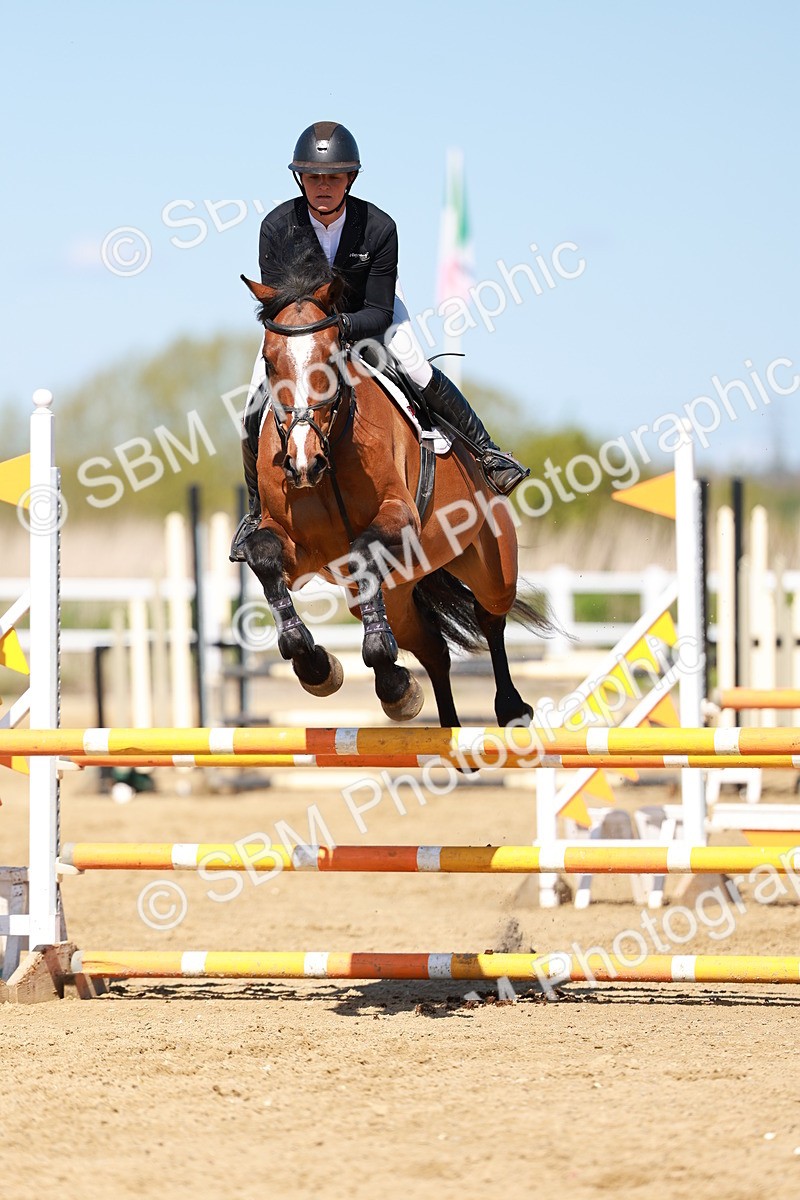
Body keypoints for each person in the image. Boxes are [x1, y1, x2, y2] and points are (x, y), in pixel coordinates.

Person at [230, 121, 529, 562]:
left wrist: (342, 330)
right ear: (300, 179)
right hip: (301, 332)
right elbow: (279, 309)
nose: (323, 186)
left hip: (367, 316)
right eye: (314, 177)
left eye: (333, 176)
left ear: (349, 178)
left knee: (415, 366)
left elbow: (380, 312)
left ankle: (488, 455)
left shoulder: (378, 227)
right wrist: (315, 338)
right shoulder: (276, 227)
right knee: (253, 403)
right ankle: (256, 512)